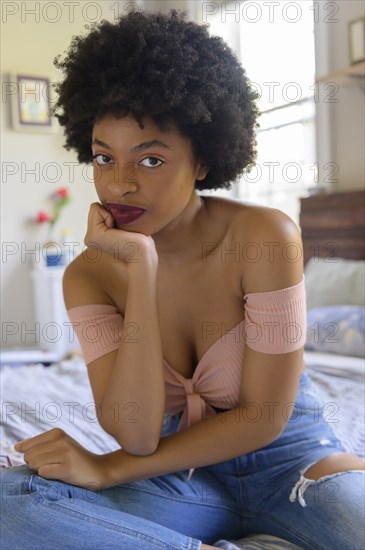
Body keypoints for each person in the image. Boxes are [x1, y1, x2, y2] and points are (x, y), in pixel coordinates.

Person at [1, 9, 364, 550]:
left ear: (202, 160)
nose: (120, 185)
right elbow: (137, 434)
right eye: (104, 157)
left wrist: (106, 471)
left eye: (149, 160)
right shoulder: (88, 276)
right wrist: (141, 275)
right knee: (13, 505)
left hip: (292, 463)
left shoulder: (263, 234)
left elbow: (262, 419)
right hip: (179, 476)